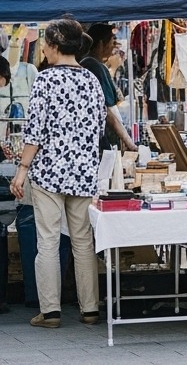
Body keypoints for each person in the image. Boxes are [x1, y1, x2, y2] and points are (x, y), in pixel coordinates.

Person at [8, 19, 103, 329]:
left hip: (49, 171)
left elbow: (35, 131)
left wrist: (22, 170)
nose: (44, 49)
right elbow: (98, 126)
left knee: (48, 241)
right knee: (83, 242)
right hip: (83, 171)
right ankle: (90, 309)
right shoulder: (91, 79)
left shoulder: (46, 80)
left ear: (55, 46)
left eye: (46, 44)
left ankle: (50, 312)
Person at [78, 23, 138, 152]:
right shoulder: (94, 67)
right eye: (112, 40)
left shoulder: (89, 64)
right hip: (102, 138)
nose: (114, 45)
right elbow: (108, 109)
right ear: (101, 44)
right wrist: (127, 140)